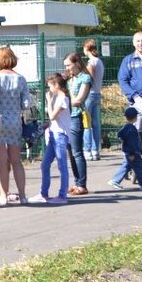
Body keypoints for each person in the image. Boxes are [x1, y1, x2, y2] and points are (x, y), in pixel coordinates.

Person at [0, 45, 30, 204]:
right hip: (15, 122)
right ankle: (22, 195)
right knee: (16, 160)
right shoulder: (21, 78)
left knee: (1, 159)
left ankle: (2, 195)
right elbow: (26, 103)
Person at [32, 73, 71, 205]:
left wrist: (48, 102)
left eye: (50, 86)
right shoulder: (59, 98)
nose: (49, 89)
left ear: (56, 85)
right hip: (54, 134)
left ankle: (62, 195)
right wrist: (48, 125)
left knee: (62, 165)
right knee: (45, 165)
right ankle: (44, 193)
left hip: (60, 136)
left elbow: (53, 115)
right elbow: (55, 120)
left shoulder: (63, 99)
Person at [107, 107, 142, 190]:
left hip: (128, 152)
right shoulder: (131, 129)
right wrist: (132, 153)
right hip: (133, 153)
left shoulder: (125, 127)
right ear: (136, 117)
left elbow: (121, 136)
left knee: (126, 166)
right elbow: (132, 143)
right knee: (139, 168)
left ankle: (115, 180)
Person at [63, 53, 91, 195]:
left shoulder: (84, 78)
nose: (67, 68)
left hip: (76, 116)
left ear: (76, 63)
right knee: (71, 153)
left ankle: (82, 185)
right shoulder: (68, 79)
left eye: (69, 65)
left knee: (77, 152)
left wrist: (64, 99)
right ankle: (76, 182)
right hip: (66, 117)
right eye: (65, 66)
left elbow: (79, 100)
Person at [82, 39, 104, 160]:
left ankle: (87, 150)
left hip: (89, 94)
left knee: (87, 123)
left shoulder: (91, 62)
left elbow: (89, 79)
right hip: (97, 93)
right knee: (96, 123)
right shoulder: (99, 61)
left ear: (87, 49)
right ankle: (96, 150)